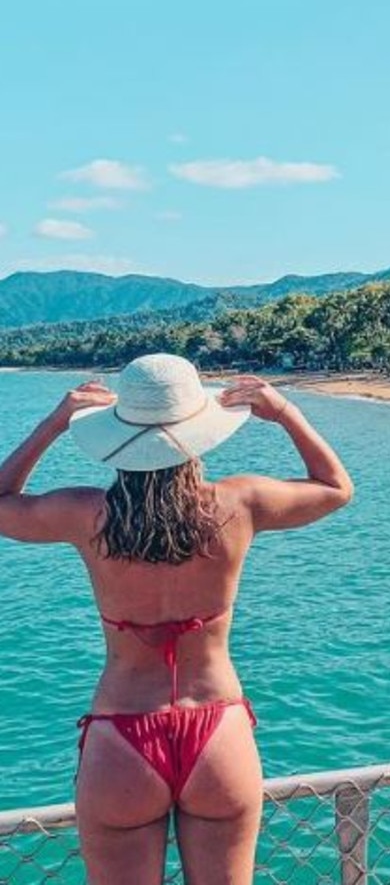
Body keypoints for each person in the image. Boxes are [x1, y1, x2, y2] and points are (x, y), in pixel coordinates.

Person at [0, 354, 353, 885]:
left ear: (116, 441)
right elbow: (334, 488)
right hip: (218, 732)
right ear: (198, 435)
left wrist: (55, 422)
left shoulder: (87, 514)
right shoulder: (238, 504)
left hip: (122, 737)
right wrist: (283, 411)